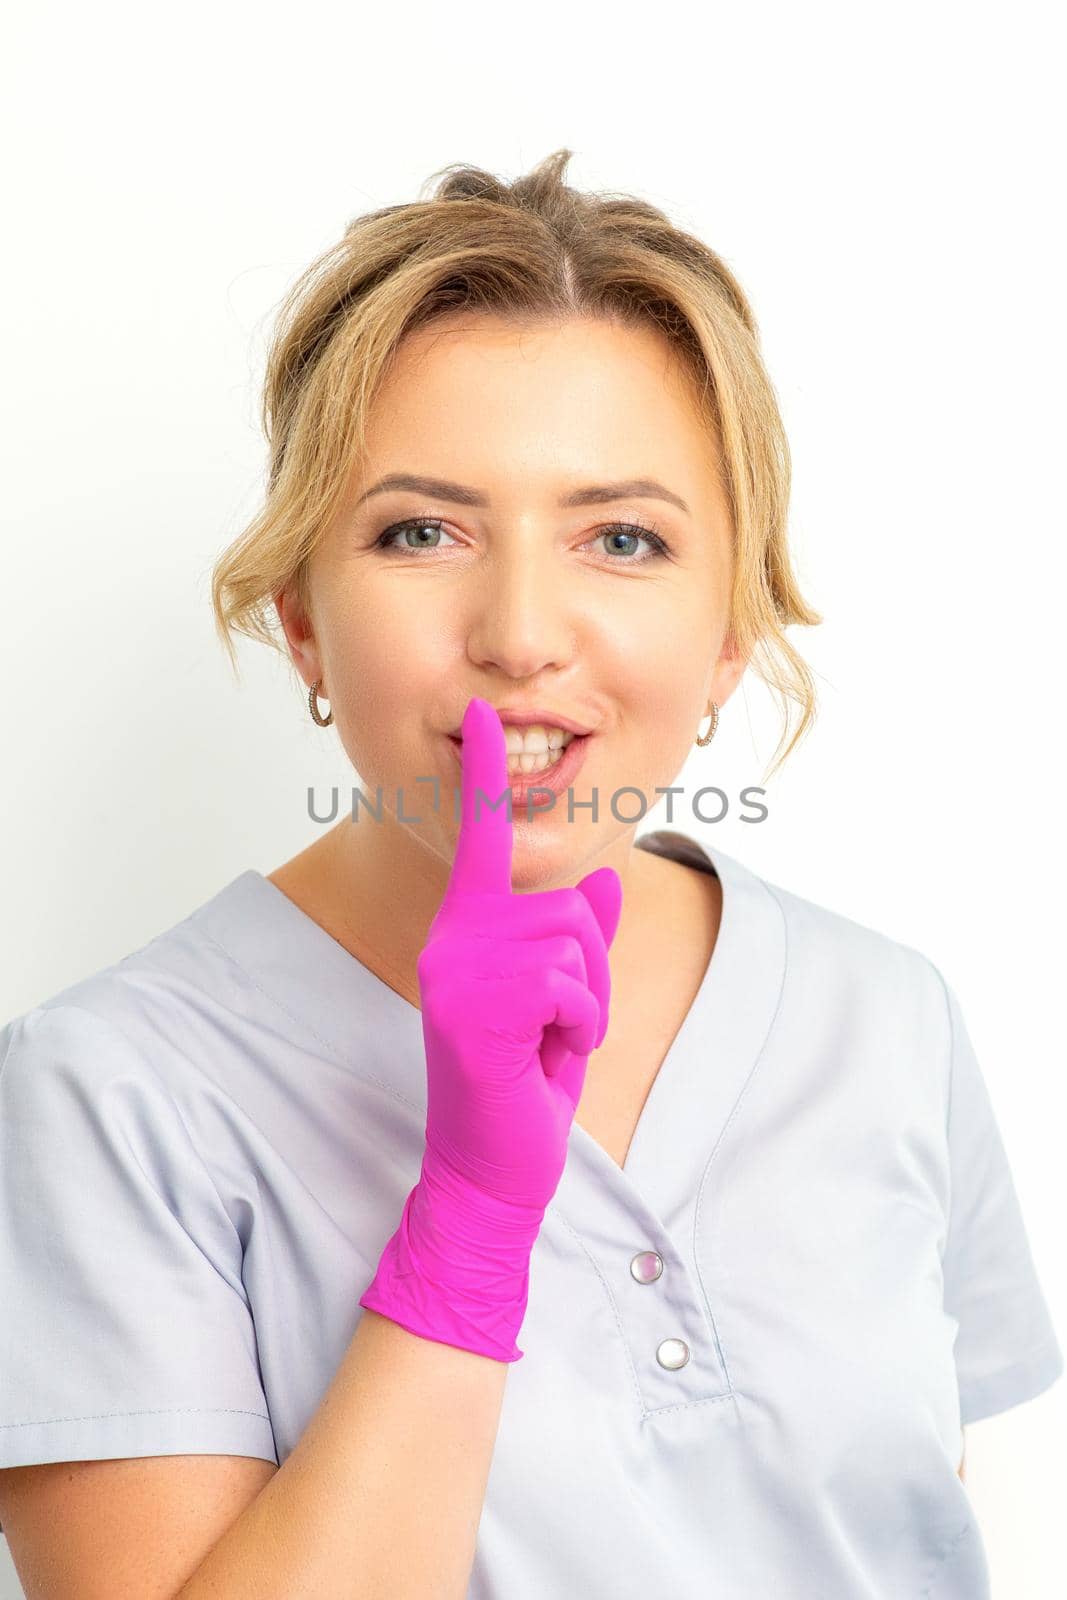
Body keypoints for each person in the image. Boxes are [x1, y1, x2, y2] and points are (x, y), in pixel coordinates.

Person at [0, 148, 1060, 1599]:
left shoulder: (886, 1016)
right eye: (420, 532)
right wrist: (471, 1221)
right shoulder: (105, 1093)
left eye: (622, 538)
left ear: (731, 626)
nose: (519, 634)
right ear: (304, 621)